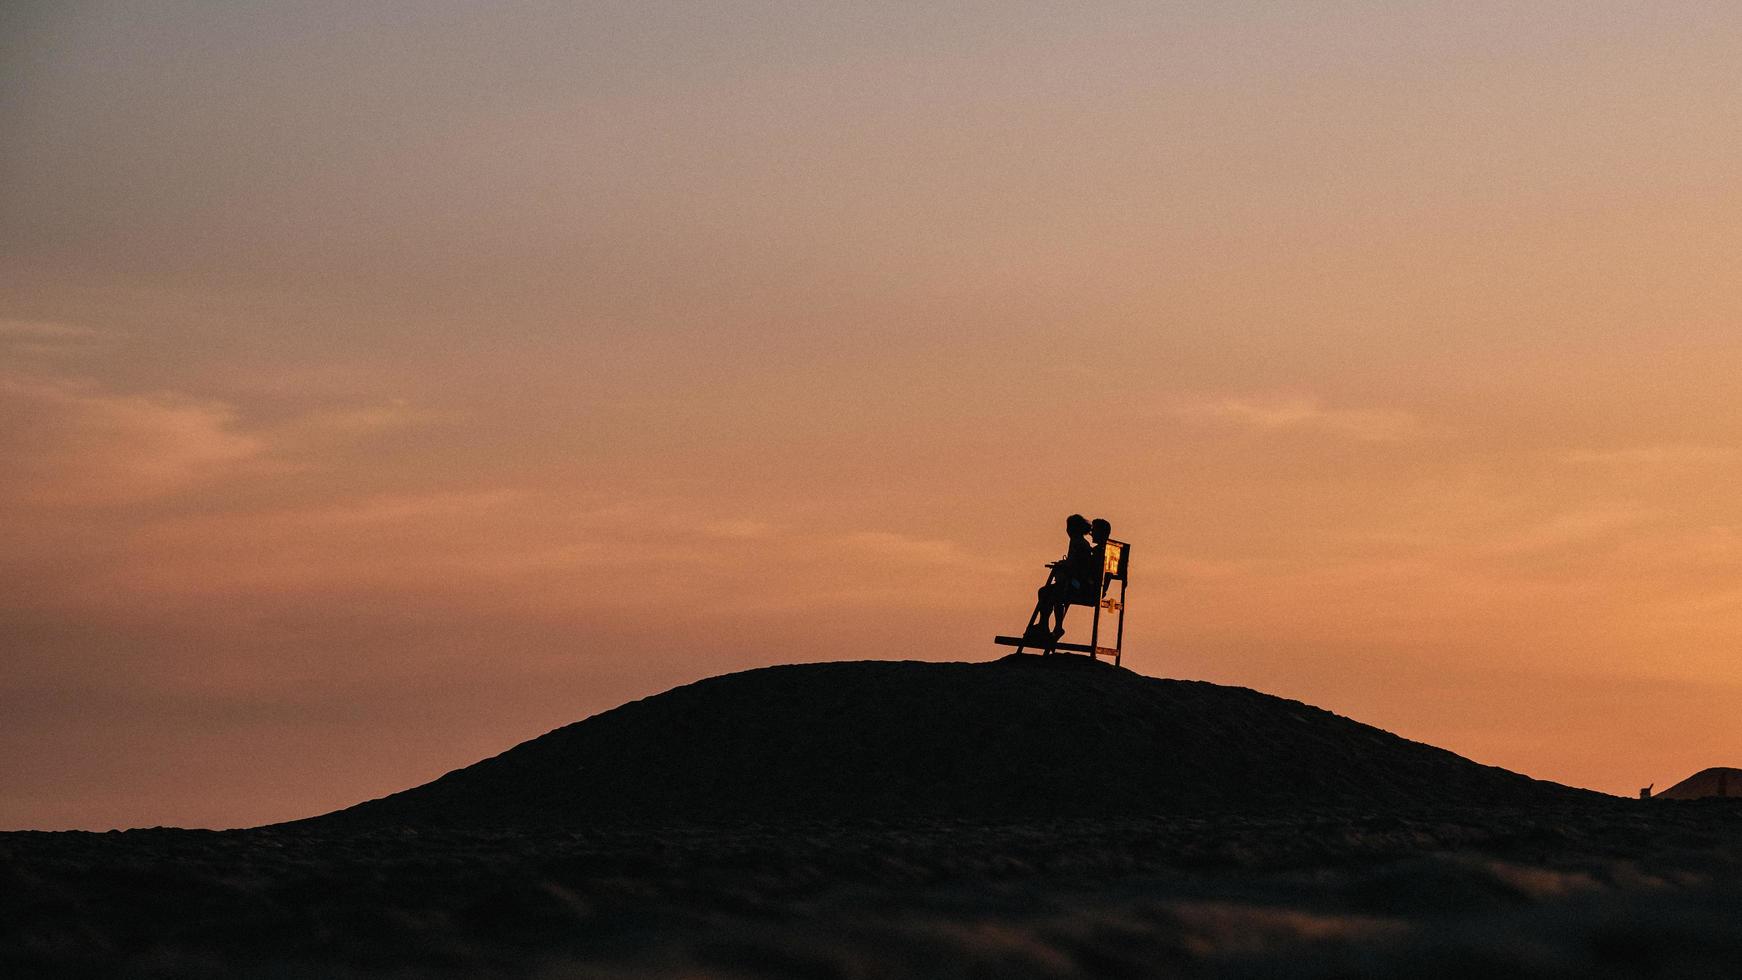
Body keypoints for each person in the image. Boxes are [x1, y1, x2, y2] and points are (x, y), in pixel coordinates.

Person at [1028, 514, 1095, 641]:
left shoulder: (1078, 543)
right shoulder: (1082, 542)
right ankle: (1049, 626)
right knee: (1052, 593)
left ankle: (1047, 626)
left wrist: (1062, 565)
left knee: (1045, 592)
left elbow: (1076, 564)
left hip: (1077, 584)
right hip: (1077, 583)